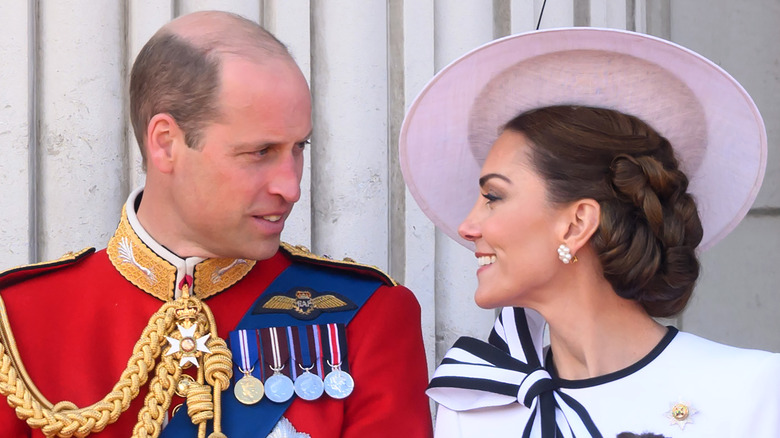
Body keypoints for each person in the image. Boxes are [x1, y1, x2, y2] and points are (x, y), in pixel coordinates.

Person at [0, 11, 432, 438]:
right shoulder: (18, 321)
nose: (292, 187)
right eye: (260, 151)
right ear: (166, 143)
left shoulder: (365, 316)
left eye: (298, 147)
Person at [399, 27, 780, 437]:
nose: (467, 226)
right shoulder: (474, 409)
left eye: (493, 195)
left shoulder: (755, 393)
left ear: (577, 223)